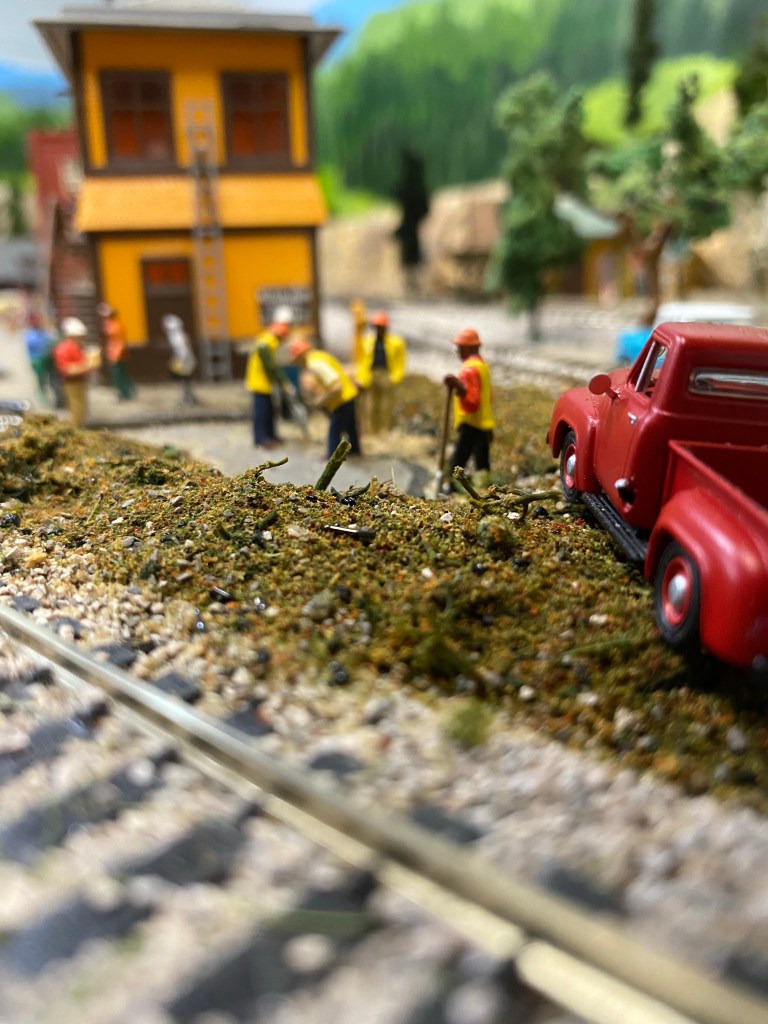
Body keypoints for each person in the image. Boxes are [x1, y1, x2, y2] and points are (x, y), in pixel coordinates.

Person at [288, 337, 361, 458]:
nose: (298, 364)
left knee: (335, 428)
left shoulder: (315, 364)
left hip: (341, 399)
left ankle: (333, 454)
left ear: (301, 356)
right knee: (350, 426)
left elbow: (336, 387)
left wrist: (321, 400)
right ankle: (355, 451)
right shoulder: (320, 355)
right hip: (350, 394)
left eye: (297, 360)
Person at [443, 328, 495, 489]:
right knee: (482, 458)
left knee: (459, 457)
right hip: (484, 420)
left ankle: (453, 485)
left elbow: (472, 401)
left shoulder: (469, 369)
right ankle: (484, 486)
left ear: (471, 347)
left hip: (471, 421)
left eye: (461, 347)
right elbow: (489, 395)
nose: (458, 350)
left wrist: (458, 386)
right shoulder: (482, 366)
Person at [354, 310, 406, 434]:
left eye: (380, 327)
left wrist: (396, 377)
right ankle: (371, 431)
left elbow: (401, 361)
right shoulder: (367, 341)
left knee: (385, 406)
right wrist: (361, 378)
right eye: (376, 327)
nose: (378, 330)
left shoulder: (396, 342)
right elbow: (362, 361)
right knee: (370, 406)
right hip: (371, 375)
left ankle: (383, 430)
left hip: (386, 375)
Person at [245, 320, 293, 448]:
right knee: (261, 412)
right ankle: (261, 438)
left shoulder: (267, 341)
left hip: (265, 383)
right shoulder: (265, 344)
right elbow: (270, 366)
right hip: (260, 383)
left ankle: (270, 435)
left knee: (269, 411)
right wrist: (282, 382)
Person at [53, 317, 92, 427]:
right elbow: (67, 369)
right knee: (77, 408)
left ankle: (79, 427)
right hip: (71, 382)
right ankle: (75, 430)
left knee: (82, 408)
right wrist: (86, 367)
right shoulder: (64, 348)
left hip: (80, 380)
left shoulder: (77, 347)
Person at [98, 303, 135, 400]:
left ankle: (125, 392)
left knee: (118, 374)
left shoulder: (114, 325)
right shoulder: (116, 323)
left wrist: (105, 320)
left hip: (116, 353)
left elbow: (108, 332)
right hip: (117, 352)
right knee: (122, 373)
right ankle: (128, 390)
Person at [162, 314, 198, 405]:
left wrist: (179, 362)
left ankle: (188, 398)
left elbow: (182, 351)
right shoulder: (179, 335)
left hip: (184, 361)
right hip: (184, 361)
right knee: (185, 381)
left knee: (184, 380)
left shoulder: (176, 337)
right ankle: (189, 397)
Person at [23, 312, 57, 405]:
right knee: (41, 379)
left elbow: (50, 341)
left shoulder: (43, 332)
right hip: (37, 360)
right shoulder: (30, 334)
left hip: (46, 358)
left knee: (48, 378)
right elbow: (31, 347)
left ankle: (47, 394)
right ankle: (41, 395)